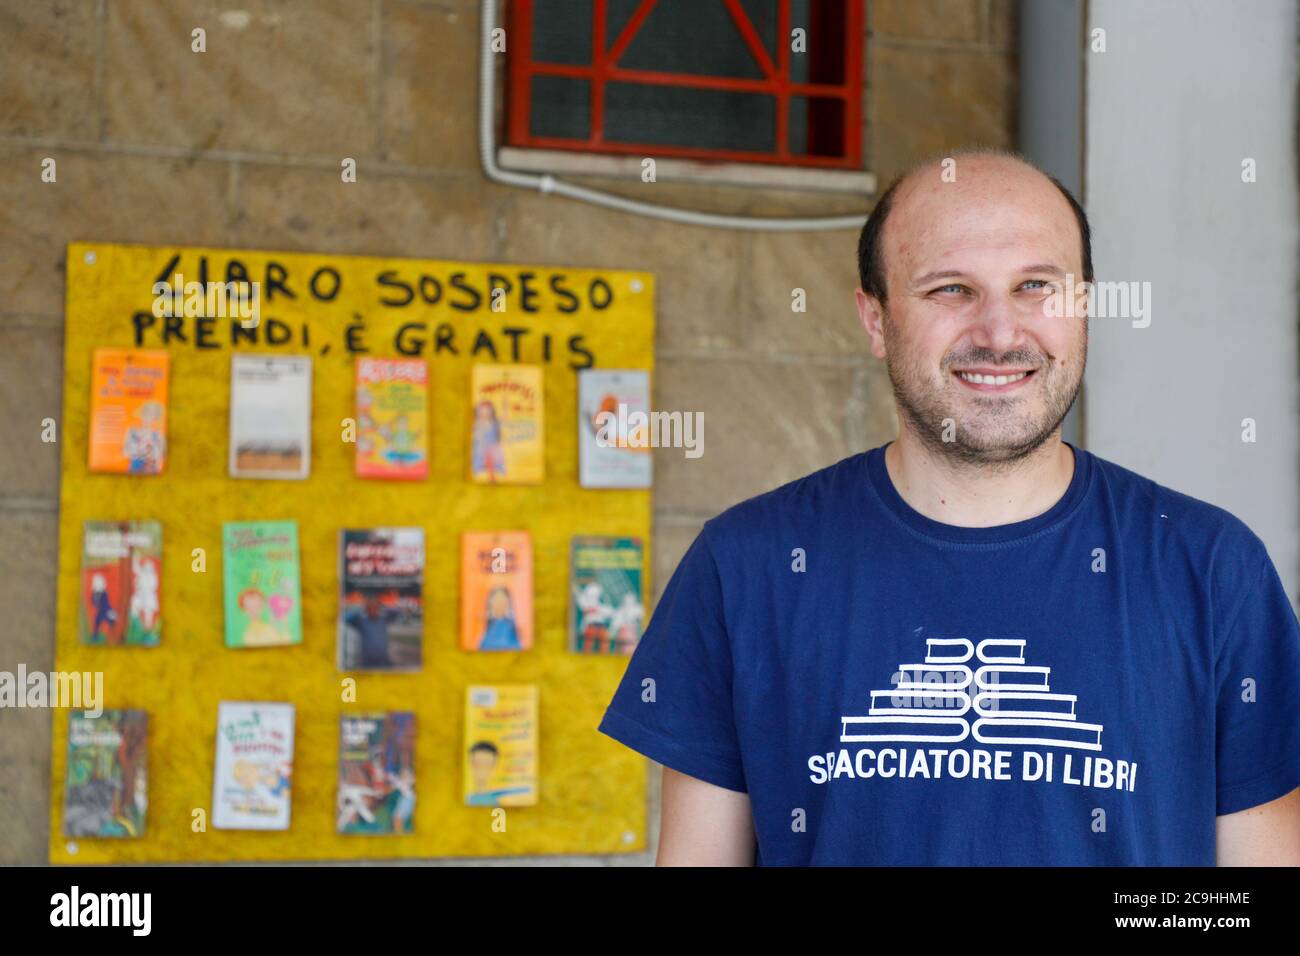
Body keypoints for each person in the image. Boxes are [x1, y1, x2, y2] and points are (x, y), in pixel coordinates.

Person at [597, 148, 1300, 867]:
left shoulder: (1212, 570)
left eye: (1036, 286)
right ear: (875, 320)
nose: (1000, 333)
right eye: (951, 290)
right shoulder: (745, 567)